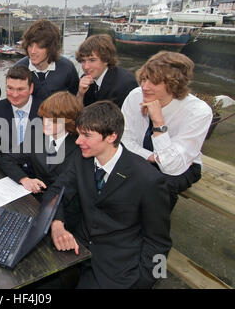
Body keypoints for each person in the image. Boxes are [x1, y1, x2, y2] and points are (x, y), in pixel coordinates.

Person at [43, 100, 172, 288]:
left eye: (86, 136)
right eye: (79, 134)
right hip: (76, 251)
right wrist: (57, 225)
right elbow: (56, 191)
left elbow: (159, 242)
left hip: (117, 270)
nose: (78, 141)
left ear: (111, 136)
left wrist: (144, 282)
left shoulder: (148, 180)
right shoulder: (81, 158)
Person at [121, 51, 212, 211]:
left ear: (174, 84)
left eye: (154, 82)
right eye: (143, 79)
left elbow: (172, 167)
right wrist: (151, 157)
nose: (144, 86)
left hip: (183, 165)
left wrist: (158, 122)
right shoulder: (135, 96)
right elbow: (124, 139)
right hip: (143, 155)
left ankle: (154, 230)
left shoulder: (198, 112)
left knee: (160, 185)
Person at [0, 91, 82, 231]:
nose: (45, 123)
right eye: (44, 117)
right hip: (35, 203)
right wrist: (25, 179)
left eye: (53, 120)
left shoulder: (80, 147)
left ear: (68, 121)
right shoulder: (37, 136)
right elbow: (6, 158)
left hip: (67, 214)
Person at [15, 19, 79, 101]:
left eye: (40, 46)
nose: (33, 51)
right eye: (30, 45)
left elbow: (74, 99)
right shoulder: (19, 68)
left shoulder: (67, 68)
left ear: (51, 48)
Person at [0, 66, 43, 158]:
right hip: (5, 167)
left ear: (31, 88)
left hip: (39, 169)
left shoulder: (46, 111)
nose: (14, 95)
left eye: (20, 89)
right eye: (10, 88)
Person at [75, 34, 138, 108]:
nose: (86, 67)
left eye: (92, 60)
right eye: (83, 61)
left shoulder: (125, 83)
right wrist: (80, 94)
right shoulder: (86, 80)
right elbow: (77, 114)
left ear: (106, 59)